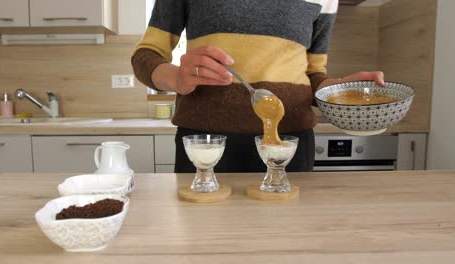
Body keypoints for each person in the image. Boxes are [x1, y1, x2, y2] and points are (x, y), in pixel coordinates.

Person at [131, 0, 385, 173]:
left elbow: (313, 73)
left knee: (286, 241)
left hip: (289, 142)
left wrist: (336, 90)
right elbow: (146, 55)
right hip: (206, 141)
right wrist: (176, 78)